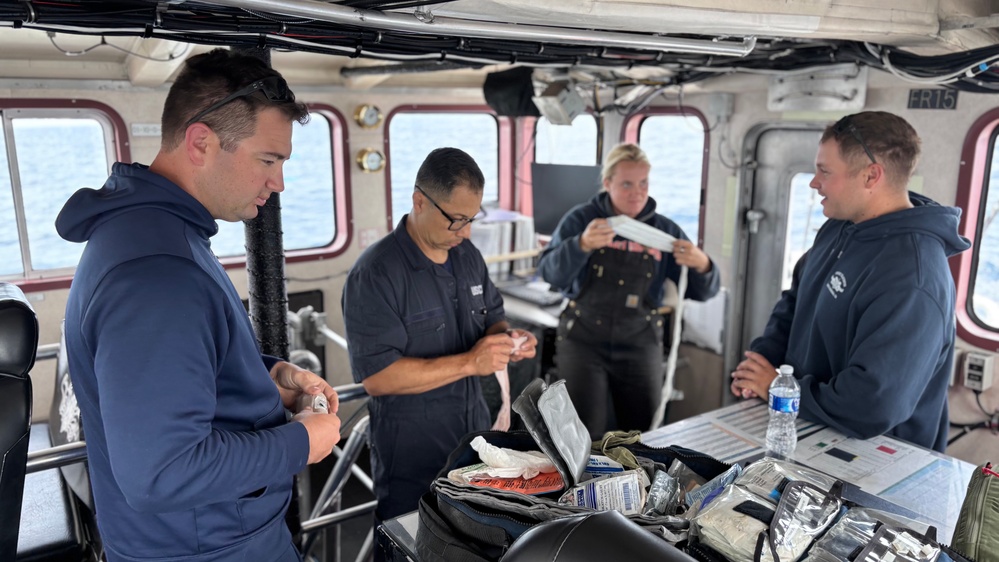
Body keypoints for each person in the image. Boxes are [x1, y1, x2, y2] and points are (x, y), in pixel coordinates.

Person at [55, 49, 342, 562]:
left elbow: (187, 369)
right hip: (205, 548)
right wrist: (302, 443)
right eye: (269, 160)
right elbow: (161, 472)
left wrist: (269, 375)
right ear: (202, 142)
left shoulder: (157, 234)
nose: (278, 183)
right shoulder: (157, 274)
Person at [730, 111, 970, 453]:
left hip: (877, 462)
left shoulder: (914, 276)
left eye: (825, 172)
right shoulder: (841, 227)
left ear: (872, 176)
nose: (814, 183)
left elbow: (872, 404)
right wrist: (760, 366)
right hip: (808, 432)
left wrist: (780, 388)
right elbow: (797, 300)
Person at [341, 147, 538, 549]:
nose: (464, 232)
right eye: (456, 220)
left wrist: (508, 339)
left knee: (468, 541)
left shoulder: (466, 256)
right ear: (419, 201)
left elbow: (493, 317)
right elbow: (379, 378)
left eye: (472, 219)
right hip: (411, 450)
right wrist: (470, 362)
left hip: (473, 441)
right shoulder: (376, 274)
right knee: (408, 544)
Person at [537, 143, 720, 440]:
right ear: (607, 183)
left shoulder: (665, 231)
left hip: (640, 341)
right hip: (584, 340)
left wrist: (703, 264)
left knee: (642, 433)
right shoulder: (581, 221)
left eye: (643, 183)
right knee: (584, 434)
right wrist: (580, 245)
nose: (637, 192)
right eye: (626, 184)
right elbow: (550, 273)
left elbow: (703, 291)